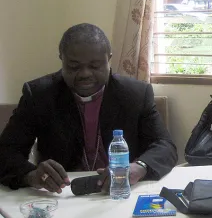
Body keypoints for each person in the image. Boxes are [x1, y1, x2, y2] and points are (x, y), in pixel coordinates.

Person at [0, 23, 177, 192]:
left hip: (119, 189)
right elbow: (6, 151)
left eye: (95, 66)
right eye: (74, 66)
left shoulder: (136, 93)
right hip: (61, 194)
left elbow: (164, 146)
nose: (85, 74)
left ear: (109, 59)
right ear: (62, 59)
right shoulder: (39, 95)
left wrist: (139, 167)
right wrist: (31, 175)